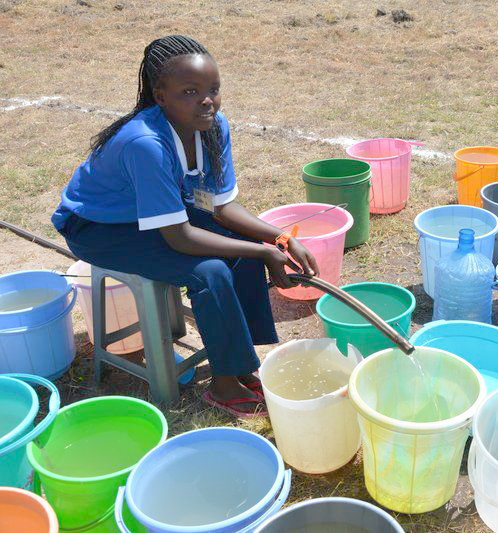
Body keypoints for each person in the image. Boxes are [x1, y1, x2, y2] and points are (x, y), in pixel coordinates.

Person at [52, 35, 319, 418]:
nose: (206, 100)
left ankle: (243, 363)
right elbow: (179, 237)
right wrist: (263, 250)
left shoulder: (212, 125)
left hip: (159, 214)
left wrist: (279, 239)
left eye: (213, 89)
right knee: (210, 271)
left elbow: (223, 207)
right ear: (160, 96)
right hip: (98, 227)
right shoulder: (145, 143)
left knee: (241, 252)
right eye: (190, 91)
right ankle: (223, 386)